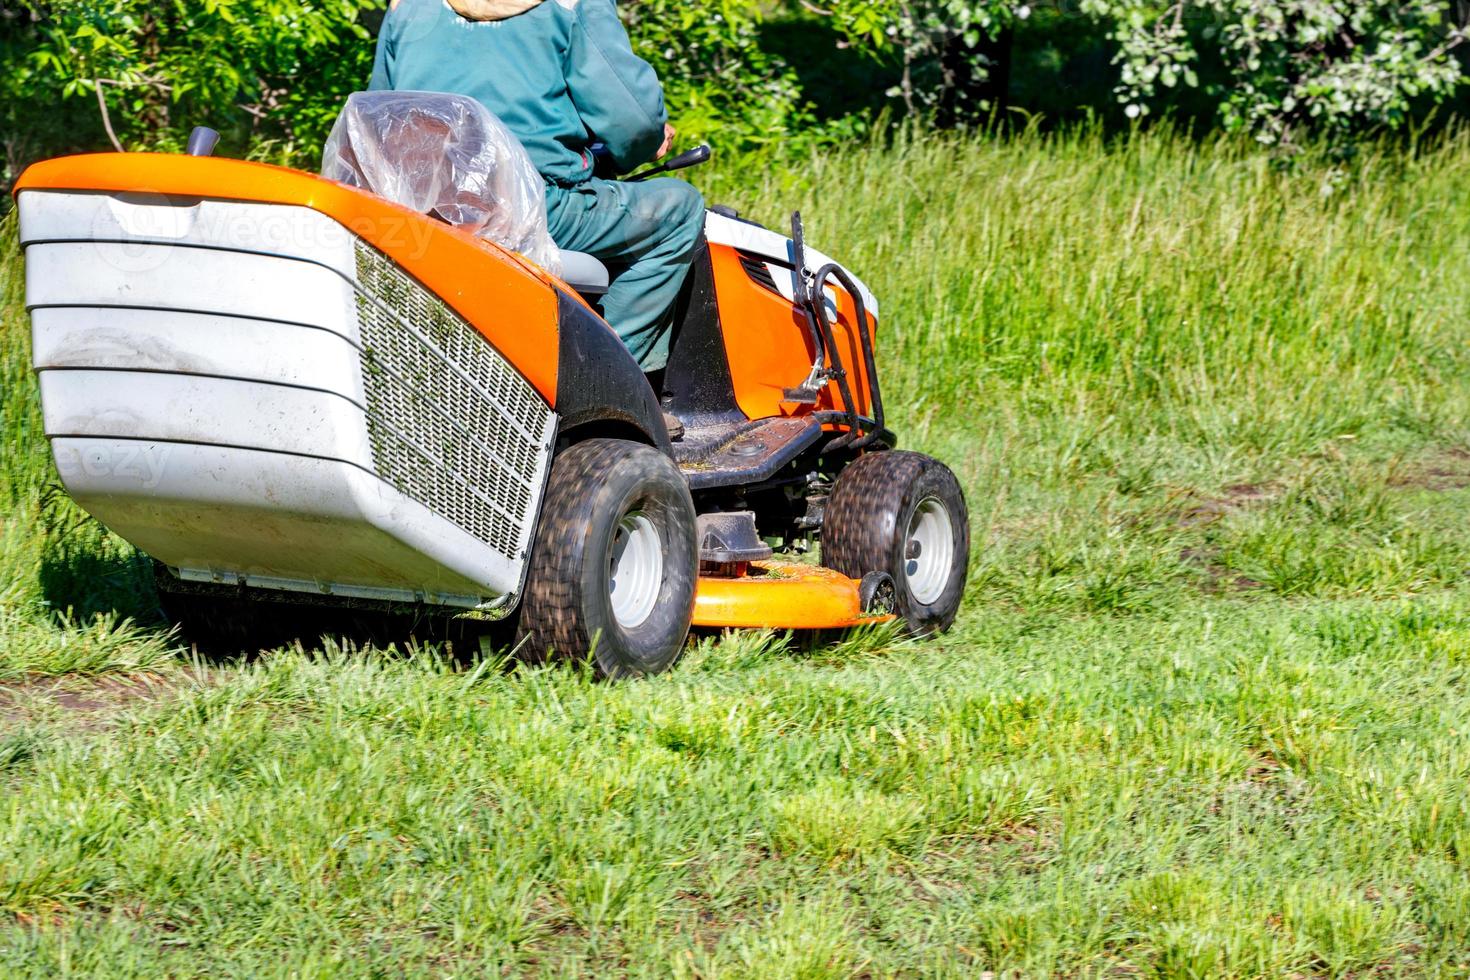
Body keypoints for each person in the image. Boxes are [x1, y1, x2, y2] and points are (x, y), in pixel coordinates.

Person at [369, 0, 706, 374]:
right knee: (680, 208)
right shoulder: (574, 3)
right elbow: (634, 124)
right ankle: (614, 380)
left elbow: (380, 113)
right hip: (530, 206)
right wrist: (637, 146)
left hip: (424, 210)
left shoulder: (406, 6)